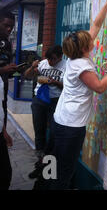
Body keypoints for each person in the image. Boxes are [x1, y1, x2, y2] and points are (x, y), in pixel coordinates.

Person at [49, 0, 107, 190]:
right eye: (89, 40)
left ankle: (46, 184)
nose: (92, 37)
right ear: (85, 47)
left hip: (62, 119)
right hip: (70, 125)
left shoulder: (75, 56)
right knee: (65, 168)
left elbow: (96, 25)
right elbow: (99, 87)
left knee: (53, 163)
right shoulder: (81, 65)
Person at [24, 45, 66, 179]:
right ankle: (40, 164)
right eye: (48, 59)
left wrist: (55, 82)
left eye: (53, 59)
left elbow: (68, 86)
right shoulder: (42, 63)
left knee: (54, 133)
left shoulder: (66, 66)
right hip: (40, 100)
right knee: (39, 131)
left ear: (60, 57)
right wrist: (32, 67)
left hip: (55, 102)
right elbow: (27, 76)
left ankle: (48, 165)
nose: (50, 62)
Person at [0, 10, 17, 190]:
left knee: (6, 173)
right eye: (6, 25)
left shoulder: (7, 44)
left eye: (11, 26)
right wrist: (3, 70)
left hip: (2, 96)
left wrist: (14, 69)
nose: (9, 29)